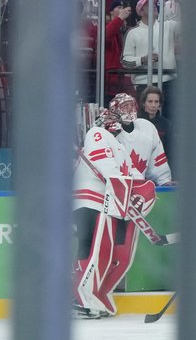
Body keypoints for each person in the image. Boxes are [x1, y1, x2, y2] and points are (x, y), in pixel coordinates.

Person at [72, 103, 157, 318]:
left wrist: (143, 188)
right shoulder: (98, 133)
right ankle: (81, 296)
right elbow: (107, 166)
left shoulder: (117, 144)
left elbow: (133, 173)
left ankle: (94, 294)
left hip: (105, 202)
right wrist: (121, 183)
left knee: (108, 253)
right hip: (90, 200)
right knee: (95, 250)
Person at [110, 91, 172, 187]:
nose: (130, 109)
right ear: (115, 110)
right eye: (125, 106)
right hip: (115, 189)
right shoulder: (109, 132)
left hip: (141, 189)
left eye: (132, 105)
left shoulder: (147, 127)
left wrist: (164, 180)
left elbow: (157, 160)